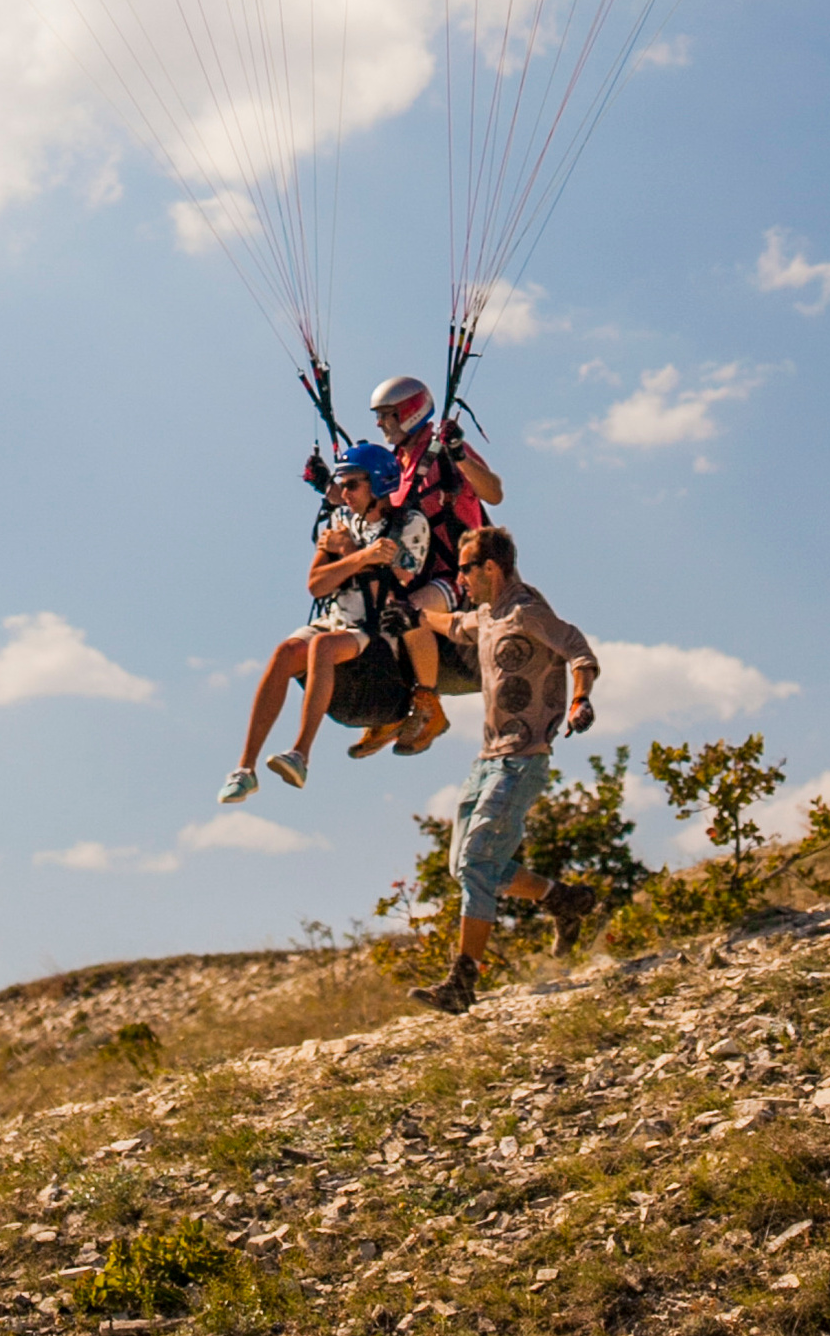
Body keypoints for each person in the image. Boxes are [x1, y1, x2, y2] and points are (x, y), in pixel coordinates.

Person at [407, 524, 599, 1015]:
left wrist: (580, 700)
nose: (461, 579)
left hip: (523, 757)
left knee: (476, 863)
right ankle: (563, 900)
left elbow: (579, 651)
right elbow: (453, 625)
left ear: (490, 568)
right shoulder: (487, 615)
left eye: (466, 569)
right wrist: (411, 614)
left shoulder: (528, 612)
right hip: (486, 759)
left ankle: (462, 981)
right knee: (466, 867)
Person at [218, 444, 428, 803]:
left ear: (377, 484)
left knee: (321, 647)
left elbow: (394, 588)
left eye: (352, 485)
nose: (343, 494)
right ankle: (245, 768)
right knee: (285, 652)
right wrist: (361, 556)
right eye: (341, 485)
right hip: (336, 619)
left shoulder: (408, 525)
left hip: (376, 632)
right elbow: (316, 583)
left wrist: (347, 554)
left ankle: (300, 753)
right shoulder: (340, 522)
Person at [363, 374, 505, 763]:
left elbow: (494, 492)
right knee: (372, 616)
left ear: (409, 413)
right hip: (417, 575)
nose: (380, 424)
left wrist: (459, 454)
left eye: (387, 415)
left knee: (407, 615)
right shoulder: (398, 464)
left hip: (458, 578)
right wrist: (331, 485)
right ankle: (392, 711)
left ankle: (428, 709)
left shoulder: (442, 451)